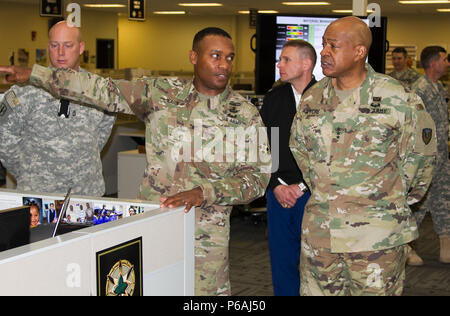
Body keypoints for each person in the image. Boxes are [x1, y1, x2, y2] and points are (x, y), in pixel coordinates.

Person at [0, 27, 271, 296]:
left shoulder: (244, 114)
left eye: (230, 57)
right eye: (215, 56)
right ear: (193, 56)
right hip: (154, 223)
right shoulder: (160, 94)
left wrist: (205, 192)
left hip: (206, 236)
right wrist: (36, 75)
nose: (224, 65)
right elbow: (99, 89)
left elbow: (258, 180)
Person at [289, 16, 436, 296]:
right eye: (323, 45)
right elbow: (301, 151)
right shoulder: (312, 99)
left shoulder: (398, 98)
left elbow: (422, 160)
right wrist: (330, 191)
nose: (324, 52)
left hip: (376, 238)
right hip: (321, 235)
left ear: (359, 52)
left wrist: (386, 203)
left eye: (332, 46)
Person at [0, 21, 115, 196]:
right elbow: (5, 139)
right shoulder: (25, 89)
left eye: (68, 45)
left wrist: (77, 161)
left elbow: (102, 132)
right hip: (38, 193)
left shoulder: (96, 89)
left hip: (86, 192)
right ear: (48, 47)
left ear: (81, 47)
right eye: (55, 45)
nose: (60, 52)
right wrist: (30, 172)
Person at [259, 39, 316, 296]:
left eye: (286, 60)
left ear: (306, 64)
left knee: (318, 262)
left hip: (315, 193)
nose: (279, 64)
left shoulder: (327, 99)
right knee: (282, 260)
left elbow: (330, 154)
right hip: (279, 192)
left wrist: (302, 186)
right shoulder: (274, 99)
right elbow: (263, 148)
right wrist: (276, 185)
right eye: (280, 59)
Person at [410, 46, 450, 265]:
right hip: (425, 159)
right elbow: (416, 125)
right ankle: (408, 249)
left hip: (442, 158)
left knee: (443, 201)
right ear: (434, 63)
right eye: (444, 59)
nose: (447, 63)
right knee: (418, 204)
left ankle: (446, 247)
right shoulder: (420, 89)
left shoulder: (439, 87)